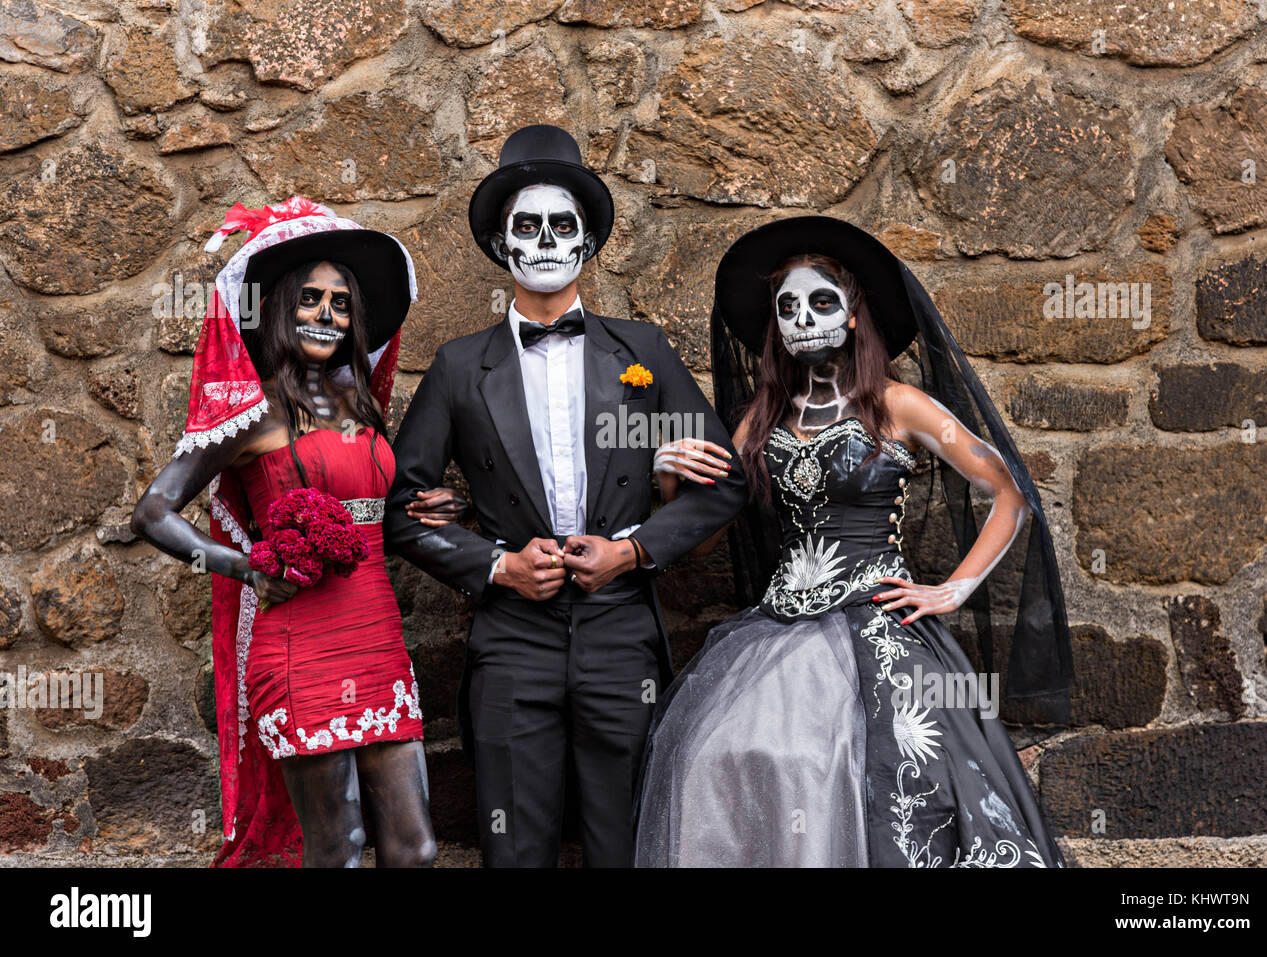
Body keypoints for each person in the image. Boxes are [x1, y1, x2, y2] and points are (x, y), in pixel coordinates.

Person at [633, 216, 1073, 867]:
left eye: (820, 301)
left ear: (851, 314)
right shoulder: (759, 418)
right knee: (711, 755)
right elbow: (702, 539)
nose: (803, 317)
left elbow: (1010, 492)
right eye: (787, 307)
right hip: (770, 640)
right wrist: (669, 481)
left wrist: (954, 588)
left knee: (874, 771)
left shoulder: (900, 405)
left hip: (880, 627)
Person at [384, 125, 747, 867]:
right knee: (513, 844)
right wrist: (495, 563)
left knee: (632, 841)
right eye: (526, 226)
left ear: (586, 244)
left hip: (622, 638)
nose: (545, 240)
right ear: (500, 246)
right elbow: (399, 509)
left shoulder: (642, 354)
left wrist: (634, 549)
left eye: (563, 226)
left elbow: (725, 481)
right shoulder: (457, 369)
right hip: (512, 639)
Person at [133, 197, 450, 867]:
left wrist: (423, 509)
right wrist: (245, 566)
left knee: (417, 848)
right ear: (279, 307)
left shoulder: (360, 403)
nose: (326, 314)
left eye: (340, 303)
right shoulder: (254, 416)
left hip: (380, 637)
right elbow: (153, 511)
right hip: (298, 645)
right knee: (338, 846)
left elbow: (370, 510)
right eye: (310, 298)